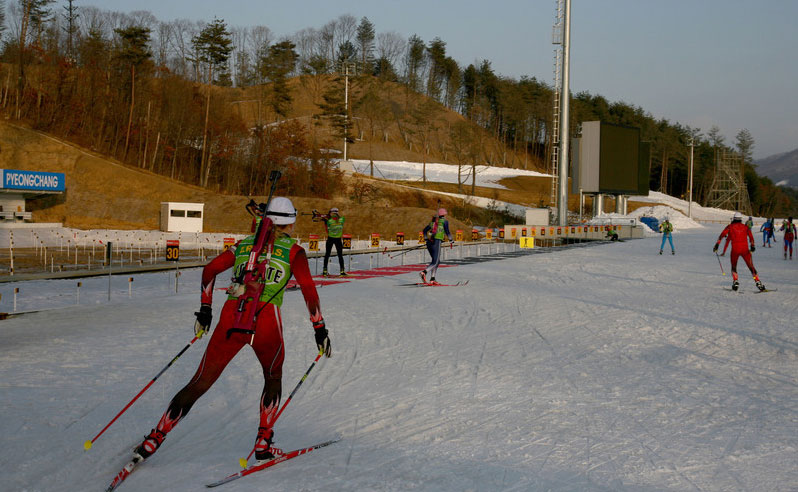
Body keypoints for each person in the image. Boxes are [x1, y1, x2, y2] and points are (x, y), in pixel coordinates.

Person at [131, 197, 332, 466]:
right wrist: (319, 329)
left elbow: (210, 270)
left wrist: (205, 310)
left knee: (200, 382)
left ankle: (155, 438)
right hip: (266, 321)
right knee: (273, 376)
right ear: (291, 222)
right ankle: (263, 443)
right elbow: (308, 290)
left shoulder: (243, 245)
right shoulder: (294, 251)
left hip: (231, 316)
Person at [714, 211, 766, 291]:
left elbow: (722, 235)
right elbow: (751, 237)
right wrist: (752, 246)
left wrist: (717, 245)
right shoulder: (745, 227)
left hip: (735, 249)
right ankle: (758, 282)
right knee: (751, 267)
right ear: (741, 219)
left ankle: (735, 281)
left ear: (734, 219)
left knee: (734, 266)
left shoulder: (730, 226)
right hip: (745, 249)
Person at [420, 208, 454, 285]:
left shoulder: (433, 222)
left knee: (435, 261)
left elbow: (424, 230)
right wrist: (451, 240)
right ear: (444, 214)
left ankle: (432, 279)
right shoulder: (445, 222)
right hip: (437, 242)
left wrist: (426, 239)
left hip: (430, 243)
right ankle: (424, 272)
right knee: (435, 262)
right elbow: (447, 231)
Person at [320, 207, 347, 277]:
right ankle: (342, 271)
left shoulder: (329, 221)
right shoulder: (342, 219)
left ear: (332, 213)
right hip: (338, 239)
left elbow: (327, 230)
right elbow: (339, 218)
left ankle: (325, 271)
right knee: (340, 255)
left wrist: (325, 222)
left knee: (327, 255)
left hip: (330, 238)